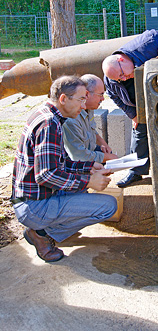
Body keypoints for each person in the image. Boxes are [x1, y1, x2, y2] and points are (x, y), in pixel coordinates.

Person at [11, 75, 117, 263]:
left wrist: (89, 167)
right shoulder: (49, 124)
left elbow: (61, 163)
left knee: (82, 189)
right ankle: (42, 234)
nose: (84, 106)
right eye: (80, 100)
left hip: (35, 199)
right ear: (63, 99)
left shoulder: (49, 116)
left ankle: (43, 230)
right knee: (108, 206)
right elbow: (46, 175)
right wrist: (88, 180)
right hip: (34, 205)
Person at [102, 24, 158, 188]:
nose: (123, 79)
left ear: (121, 59)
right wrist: (133, 115)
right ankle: (136, 171)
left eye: (122, 74)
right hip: (138, 99)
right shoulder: (112, 78)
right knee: (139, 134)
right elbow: (114, 96)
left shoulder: (145, 43)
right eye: (119, 79)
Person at [63, 74, 118, 163]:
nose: (103, 99)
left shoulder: (89, 108)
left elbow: (92, 130)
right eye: (100, 95)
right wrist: (107, 157)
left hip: (89, 149)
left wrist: (104, 145)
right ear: (87, 94)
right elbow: (79, 156)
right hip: (76, 160)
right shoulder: (72, 119)